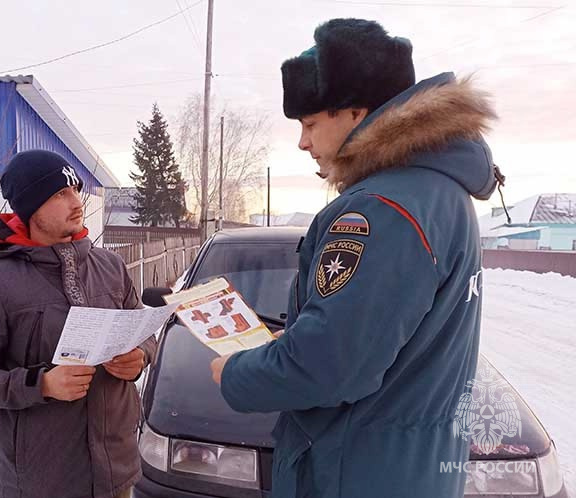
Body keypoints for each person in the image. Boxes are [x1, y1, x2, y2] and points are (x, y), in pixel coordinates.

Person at [210, 18, 502, 498]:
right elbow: (382, 336)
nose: (303, 142)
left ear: (356, 113)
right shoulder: (437, 194)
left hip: (352, 472)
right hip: (401, 469)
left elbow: (329, 368)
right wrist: (310, 332)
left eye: (309, 124)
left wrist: (236, 373)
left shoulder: (380, 211)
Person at [0, 149, 157, 498]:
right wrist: (41, 383)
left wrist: (140, 356)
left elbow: (143, 327)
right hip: (43, 482)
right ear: (30, 209)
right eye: (60, 193)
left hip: (116, 472)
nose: (76, 201)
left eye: (75, 189)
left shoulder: (110, 267)